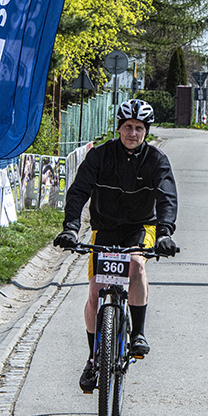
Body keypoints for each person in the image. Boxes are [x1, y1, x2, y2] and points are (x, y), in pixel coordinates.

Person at [53, 99, 179, 393]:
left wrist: (164, 234)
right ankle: (93, 357)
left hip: (141, 227)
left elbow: (166, 197)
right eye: (127, 127)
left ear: (146, 131)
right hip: (105, 228)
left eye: (138, 128)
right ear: (119, 129)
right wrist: (71, 228)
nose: (132, 133)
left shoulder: (156, 160)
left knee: (136, 264)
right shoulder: (100, 156)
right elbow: (78, 192)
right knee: (96, 289)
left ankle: (138, 333)